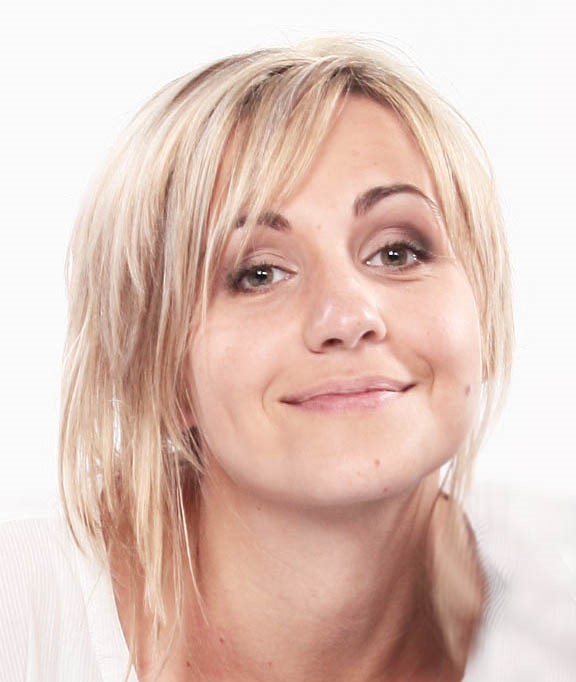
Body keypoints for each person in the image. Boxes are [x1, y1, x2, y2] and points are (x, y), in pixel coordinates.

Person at [0, 37, 574, 682]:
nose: (348, 317)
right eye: (259, 273)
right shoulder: (20, 614)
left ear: (482, 316)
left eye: (397, 252)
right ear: (159, 370)